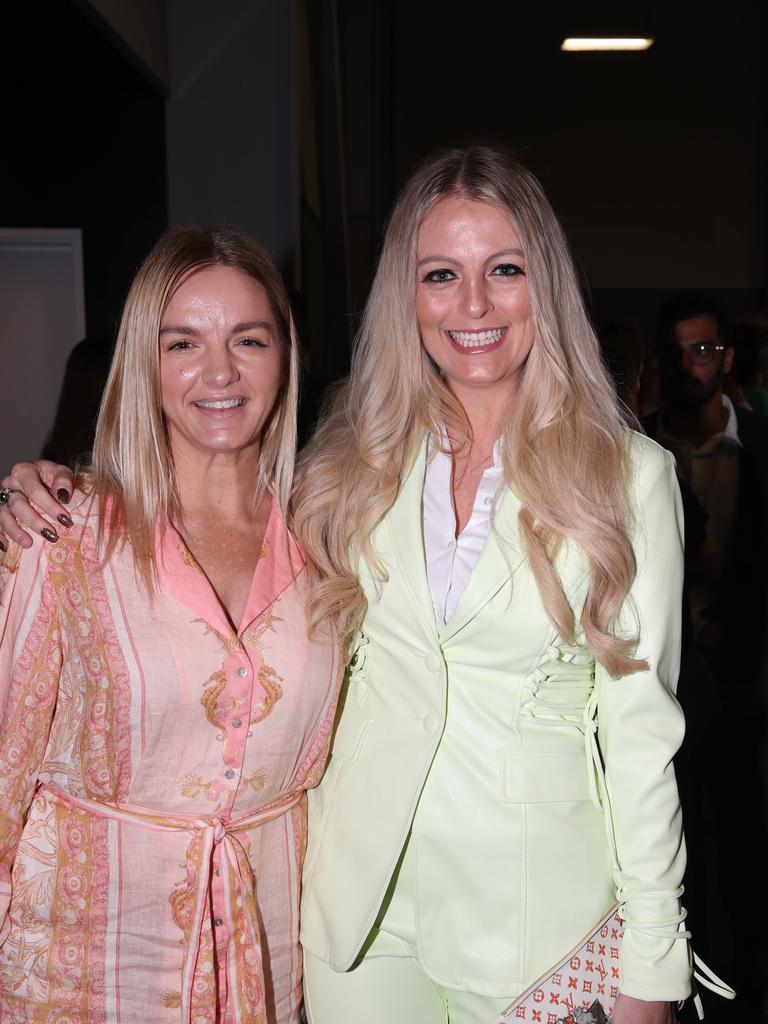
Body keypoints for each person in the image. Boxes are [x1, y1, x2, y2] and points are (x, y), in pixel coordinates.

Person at [1, 150, 733, 1024]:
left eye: (504, 269)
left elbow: (643, 738)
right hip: (353, 927)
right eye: (440, 275)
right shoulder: (352, 466)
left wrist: (654, 960)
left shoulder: (625, 475)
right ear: (405, 294)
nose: (472, 304)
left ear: (548, 285)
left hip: (536, 923)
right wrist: (36, 490)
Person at [0, 227, 342, 1023]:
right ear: (143, 366)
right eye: (182, 342)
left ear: (285, 356)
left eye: (247, 340)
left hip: (270, 970)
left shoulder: (336, 543)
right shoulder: (64, 535)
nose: (218, 371)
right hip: (84, 976)